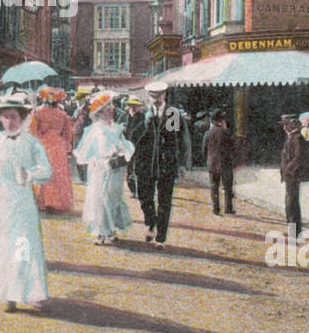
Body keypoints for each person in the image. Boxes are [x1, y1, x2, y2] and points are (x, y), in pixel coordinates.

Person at [0, 91, 53, 312]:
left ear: (22, 118)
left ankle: (25, 292)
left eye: (13, 117)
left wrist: (30, 174)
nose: (8, 122)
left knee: (22, 247)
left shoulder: (31, 143)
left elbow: (47, 171)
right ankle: (9, 294)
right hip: (1, 201)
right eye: (5, 117)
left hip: (23, 202)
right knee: (3, 248)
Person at [128, 80, 190, 250]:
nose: (156, 98)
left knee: (164, 201)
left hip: (166, 164)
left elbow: (178, 140)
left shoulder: (172, 114)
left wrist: (183, 164)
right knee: (144, 197)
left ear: (165, 95)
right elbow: (133, 140)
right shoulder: (143, 114)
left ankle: (160, 237)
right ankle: (150, 222)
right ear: (148, 96)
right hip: (145, 164)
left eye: (159, 95)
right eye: (152, 95)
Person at [74, 90, 135, 245]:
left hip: (116, 170)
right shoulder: (96, 130)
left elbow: (127, 147)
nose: (112, 109)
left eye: (112, 106)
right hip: (101, 170)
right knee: (101, 200)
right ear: (100, 112)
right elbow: (86, 152)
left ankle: (110, 230)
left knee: (113, 199)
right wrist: (107, 154)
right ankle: (102, 232)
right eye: (109, 107)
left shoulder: (116, 127)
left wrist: (121, 151)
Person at [31, 86, 75, 213]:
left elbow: (34, 132)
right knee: (59, 174)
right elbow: (68, 134)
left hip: (44, 145)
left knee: (45, 172)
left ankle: (44, 200)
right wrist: (66, 145)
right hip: (58, 146)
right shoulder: (63, 115)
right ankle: (57, 202)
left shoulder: (38, 114)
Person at [279, 114, 306, 237]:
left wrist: (287, 169)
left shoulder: (297, 138)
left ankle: (294, 231)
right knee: (290, 202)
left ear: (292, 124)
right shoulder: (291, 137)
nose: (284, 128)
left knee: (292, 203)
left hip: (293, 175)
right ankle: (293, 229)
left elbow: (298, 158)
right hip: (289, 175)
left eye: (286, 125)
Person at [205, 110, 236, 215]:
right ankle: (228, 208)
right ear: (221, 120)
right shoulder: (226, 132)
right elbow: (233, 147)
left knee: (214, 187)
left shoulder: (208, 133)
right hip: (226, 163)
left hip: (212, 164)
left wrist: (208, 159)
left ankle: (216, 209)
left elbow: (203, 149)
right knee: (227, 187)